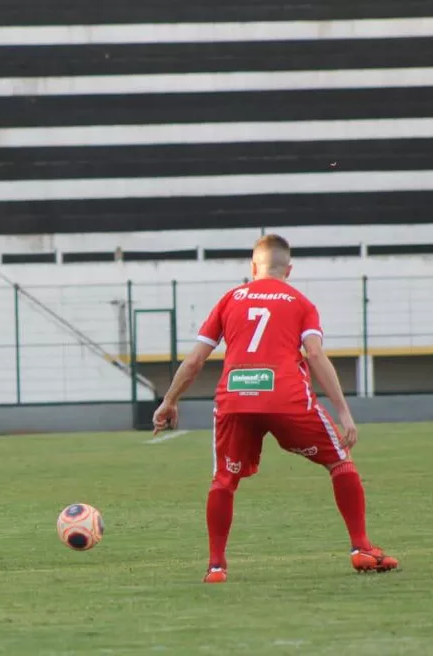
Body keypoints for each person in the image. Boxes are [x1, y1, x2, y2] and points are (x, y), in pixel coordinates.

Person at [152, 235, 398, 583]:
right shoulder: (300, 302)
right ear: (289, 269)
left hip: (235, 398)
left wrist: (170, 400)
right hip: (286, 397)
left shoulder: (230, 299)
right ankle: (360, 547)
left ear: (253, 267)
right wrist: (344, 411)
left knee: (224, 480)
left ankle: (216, 567)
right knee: (340, 462)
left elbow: (195, 361)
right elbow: (314, 354)